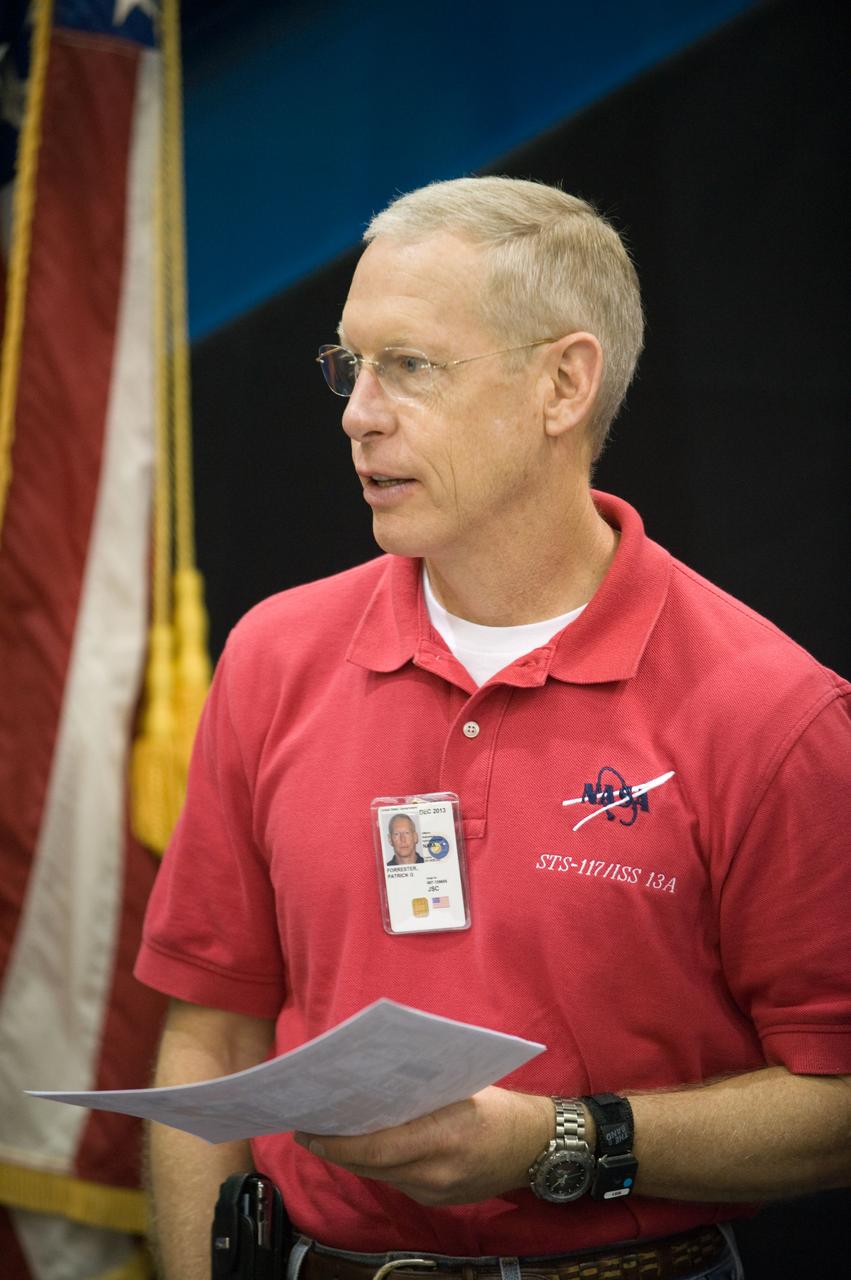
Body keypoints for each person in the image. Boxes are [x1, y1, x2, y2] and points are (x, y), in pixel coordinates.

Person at [136, 177, 851, 1280]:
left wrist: (555, 1142)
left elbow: (836, 1103)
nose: (356, 412)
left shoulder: (769, 707)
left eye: (409, 367)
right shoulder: (274, 655)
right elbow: (210, 1035)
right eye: (349, 364)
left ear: (562, 383)